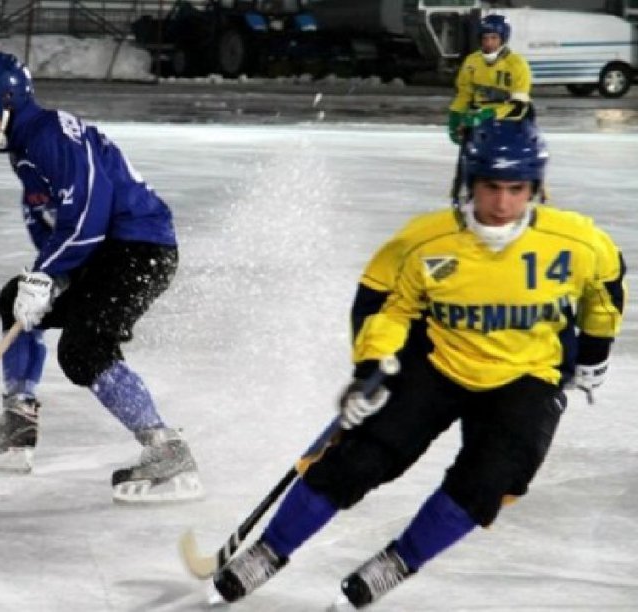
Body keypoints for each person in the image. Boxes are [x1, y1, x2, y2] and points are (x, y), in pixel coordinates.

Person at [209, 118, 626, 608]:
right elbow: (386, 307)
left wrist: (595, 354)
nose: (503, 203)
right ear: (470, 182)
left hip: (527, 374)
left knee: (491, 479)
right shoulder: (425, 242)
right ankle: (269, 550)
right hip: (438, 361)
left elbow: (605, 290)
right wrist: (371, 368)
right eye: (492, 187)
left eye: (518, 189)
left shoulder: (577, 242)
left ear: (536, 188)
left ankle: (397, 562)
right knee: (362, 456)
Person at [0, 51, 203, 503]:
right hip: (104, 252)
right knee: (17, 302)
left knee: (85, 349)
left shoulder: (51, 135)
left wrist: (48, 274)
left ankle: (168, 451)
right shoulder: (27, 144)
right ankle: (17, 424)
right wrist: (44, 279)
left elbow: (88, 212)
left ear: (5, 100)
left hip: (139, 248)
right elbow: (46, 217)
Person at [448, 14, 534, 204]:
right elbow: (464, 93)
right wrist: (455, 115)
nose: (489, 43)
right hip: (477, 119)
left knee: (516, 166)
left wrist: (490, 114)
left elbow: (520, 105)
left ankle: (532, 196)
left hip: (510, 123)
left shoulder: (517, 65)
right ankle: (463, 198)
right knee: (467, 162)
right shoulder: (472, 62)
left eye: (494, 38)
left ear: (503, 39)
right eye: (485, 38)